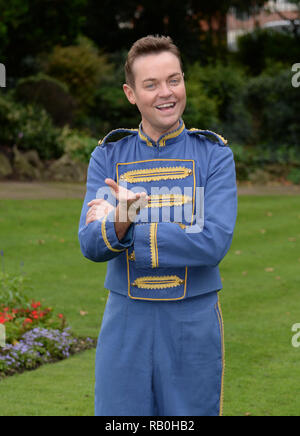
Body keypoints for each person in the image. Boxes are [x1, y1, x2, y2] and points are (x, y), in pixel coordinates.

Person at [78, 35, 237, 417]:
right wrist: (181, 222)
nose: (166, 93)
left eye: (174, 80)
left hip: (192, 321)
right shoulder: (108, 155)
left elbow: (212, 241)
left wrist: (126, 220)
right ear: (130, 93)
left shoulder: (213, 154)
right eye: (151, 84)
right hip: (126, 322)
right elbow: (89, 244)